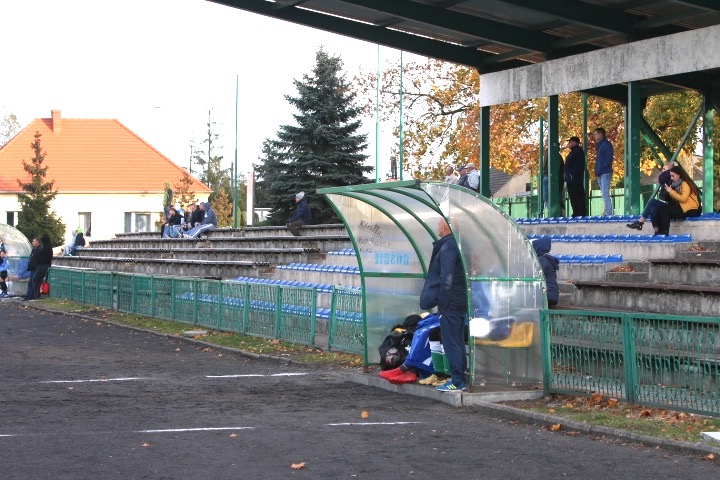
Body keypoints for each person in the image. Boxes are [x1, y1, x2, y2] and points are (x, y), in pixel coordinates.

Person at [419, 218, 468, 392]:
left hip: (451, 303)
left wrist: (443, 302)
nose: (437, 227)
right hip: (457, 301)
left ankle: (457, 381)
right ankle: (459, 378)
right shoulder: (454, 245)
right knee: (456, 341)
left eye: (439, 224)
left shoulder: (449, 247)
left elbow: (446, 278)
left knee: (451, 342)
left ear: (446, 227)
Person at [626, 162, 677, 232]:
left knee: (653, 202)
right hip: (670, 205)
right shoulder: (666, 181)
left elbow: (669, 197)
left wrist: (668, 190)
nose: (662, 171)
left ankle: (640, 222)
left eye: (664, 169)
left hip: (675, 207)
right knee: (653, 209)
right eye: (662, 169)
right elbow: (663, 197)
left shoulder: (672, 181)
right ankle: (656, 231)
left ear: (669, 172)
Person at [653, 165, 702, 236]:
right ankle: (660, 232)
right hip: (684, 208)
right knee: (661, 209)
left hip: (692, 210)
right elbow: (677, 199)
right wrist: (670, 192)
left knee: (664, 209)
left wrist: (671, 192)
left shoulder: (685, 183)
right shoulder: (677, 184)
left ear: (679, 175)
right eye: (671, 176)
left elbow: (683, 199)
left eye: (673, 176)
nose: (671, 178)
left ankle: (665, 232)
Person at [564, 136, 587, 217]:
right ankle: (576, 212)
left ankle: (581, 213)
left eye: (570, 142)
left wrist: (572, 173)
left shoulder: (578, 151)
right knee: (573, 197)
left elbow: (579, 165)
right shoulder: (572, 152)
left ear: (574, 142)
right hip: (570, 180)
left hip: (575, 179)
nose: (568, 144)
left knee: (578, 196)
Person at [593, 127, 614, 216]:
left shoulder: (606, 145)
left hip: (605, 172)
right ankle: (607, 211)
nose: (594, 136)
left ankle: (608, 213)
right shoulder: (600, 145)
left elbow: (608, 159)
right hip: (601, 172)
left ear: (601, 134)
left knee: (605, 193)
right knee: (604, 194)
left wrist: (600, 169)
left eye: (595, 134)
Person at [533, 237, 559, 307]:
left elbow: (537, 274)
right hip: (552, 294)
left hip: (548, 295)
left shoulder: (542, 259)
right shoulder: (546, 258)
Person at [542, 147, 565, 216]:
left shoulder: (554, 155)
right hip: (548, 176)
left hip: (550, 177)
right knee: (547, 198)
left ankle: (556, 214)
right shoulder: (549, 153)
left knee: (549, 198)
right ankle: (556, 213)